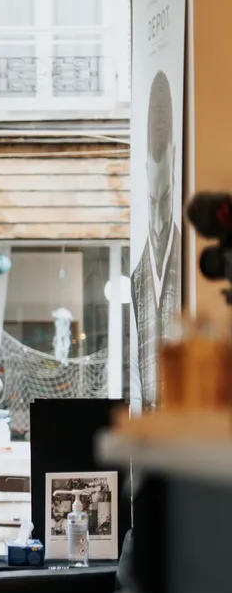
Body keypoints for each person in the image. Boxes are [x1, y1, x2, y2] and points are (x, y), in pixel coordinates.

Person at [131, 70, 182, 411]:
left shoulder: (186, 264)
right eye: (152, 202)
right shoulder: (138, 278)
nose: (160, 221)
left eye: (166, 200)